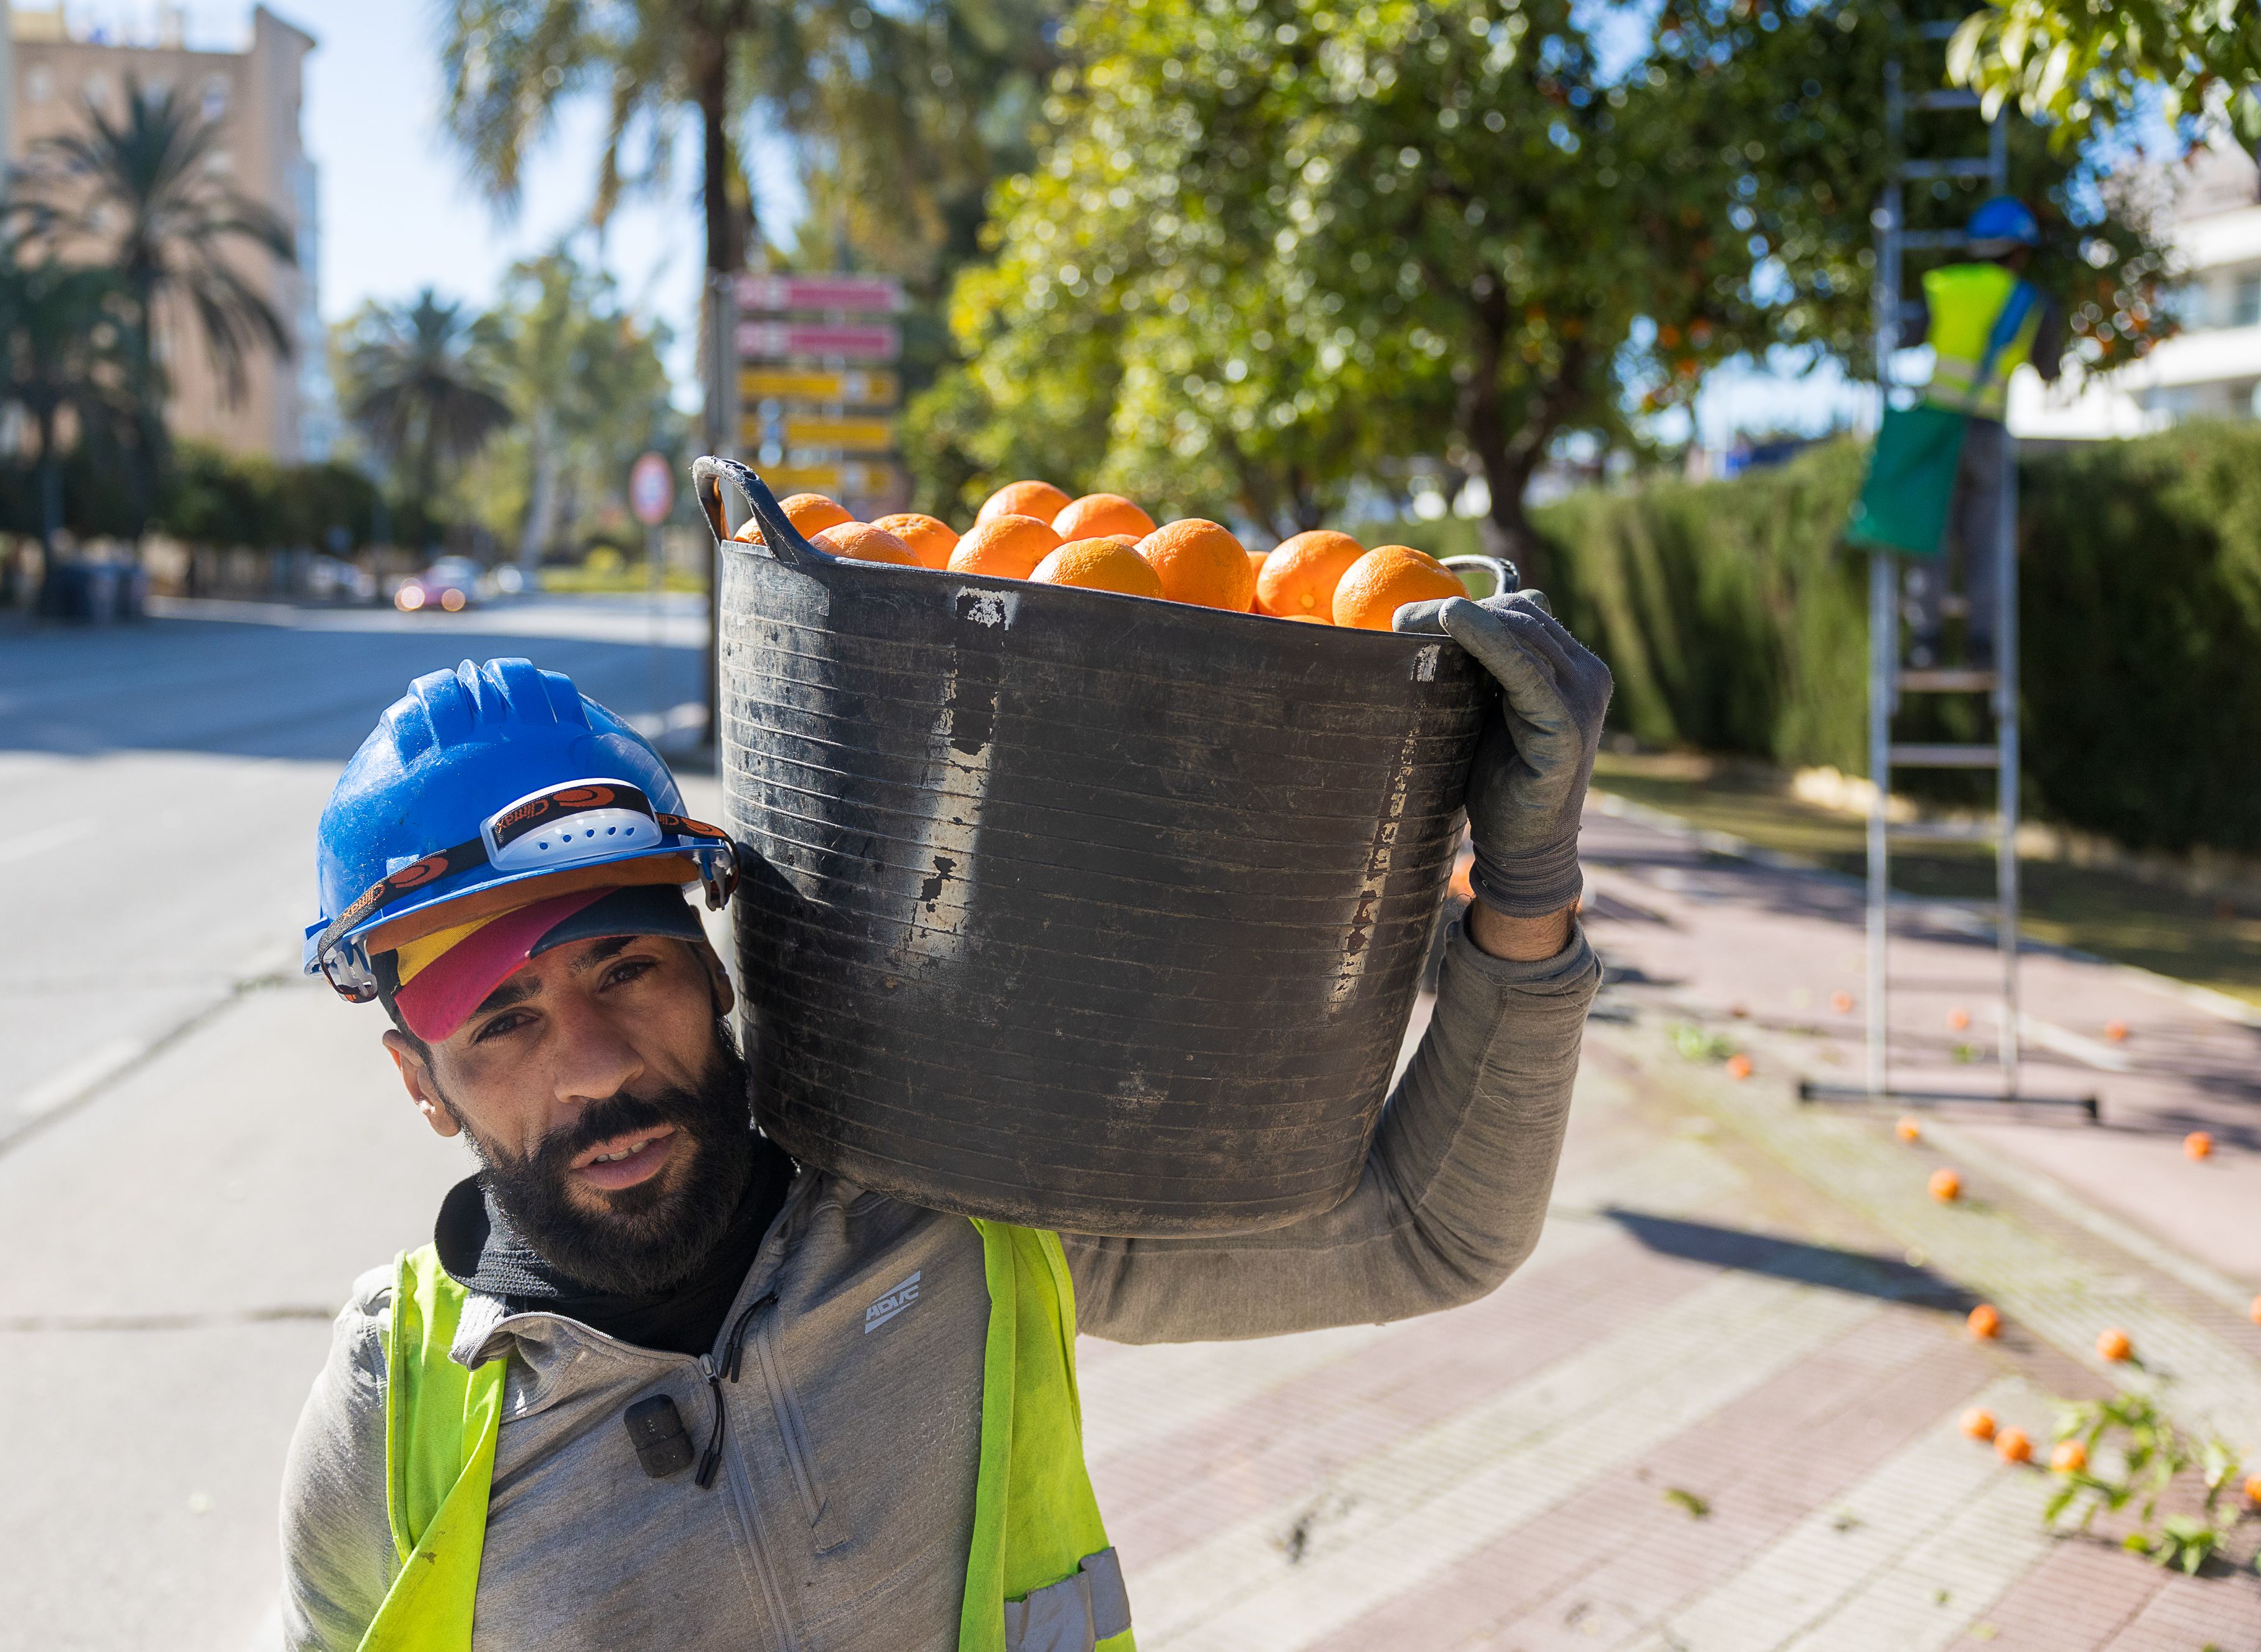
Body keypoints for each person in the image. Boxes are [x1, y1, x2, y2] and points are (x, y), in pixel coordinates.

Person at [277, 590, 1611, 1652]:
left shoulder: (954, 1214)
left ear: (712, 965)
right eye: (501, 1022)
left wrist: (1526, 890)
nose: (593, 1068)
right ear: (418, 1076)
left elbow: (1428, 1232)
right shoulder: (389, 1431)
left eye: (625, 968)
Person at [1898, 194, 2065, 667]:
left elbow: (1903, 338)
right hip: (1987, 433)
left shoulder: (1943, 286)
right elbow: (2049, 369)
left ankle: (1926, 641)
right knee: (1986, 542)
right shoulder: (2032, 303)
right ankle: (1980, 643)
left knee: (1930, 536)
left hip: (1937, 431)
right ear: (2019, 252)